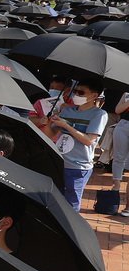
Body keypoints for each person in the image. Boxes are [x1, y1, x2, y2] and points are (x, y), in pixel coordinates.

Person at [48, 78, 106, 209]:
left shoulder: (99, 114)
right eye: (75, 91)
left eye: (81, 92)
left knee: (71, 205)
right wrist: (49, 120)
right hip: (58, 161)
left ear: (94, 96)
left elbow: (88, 140)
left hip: (77, 166)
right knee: (53, 200)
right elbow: (51, 133)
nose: (76, 95)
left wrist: (66, 126)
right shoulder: (67, 110)